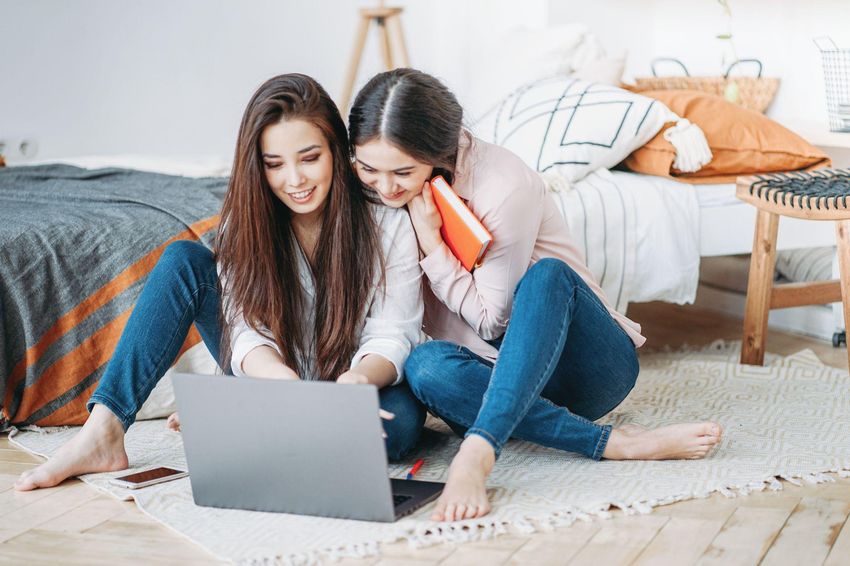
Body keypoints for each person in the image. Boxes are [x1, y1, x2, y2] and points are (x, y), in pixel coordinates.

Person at [15, 73, 425, 492]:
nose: (295, 180)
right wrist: (279, 379)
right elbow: (245, 327)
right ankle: (103, 431)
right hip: (269, 374)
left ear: (336, 151)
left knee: (401, 428)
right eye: (274, 164)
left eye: (309, 158)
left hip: (352, 380)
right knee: (184, 259)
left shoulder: (385, 219)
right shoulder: (245, 221)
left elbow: (394, 332)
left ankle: (240, 416)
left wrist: (355, 384)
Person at [348, 68, 723, 522]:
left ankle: (478, 452)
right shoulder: (377, 194)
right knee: (425, 367)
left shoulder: (504, 184)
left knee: (548, 276)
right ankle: (611, 443)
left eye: (402, 172)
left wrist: (431, 243)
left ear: (436, 152)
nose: (385, 187)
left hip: (582, 366)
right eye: (369, 169)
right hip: (489, 377)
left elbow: (492, 322)